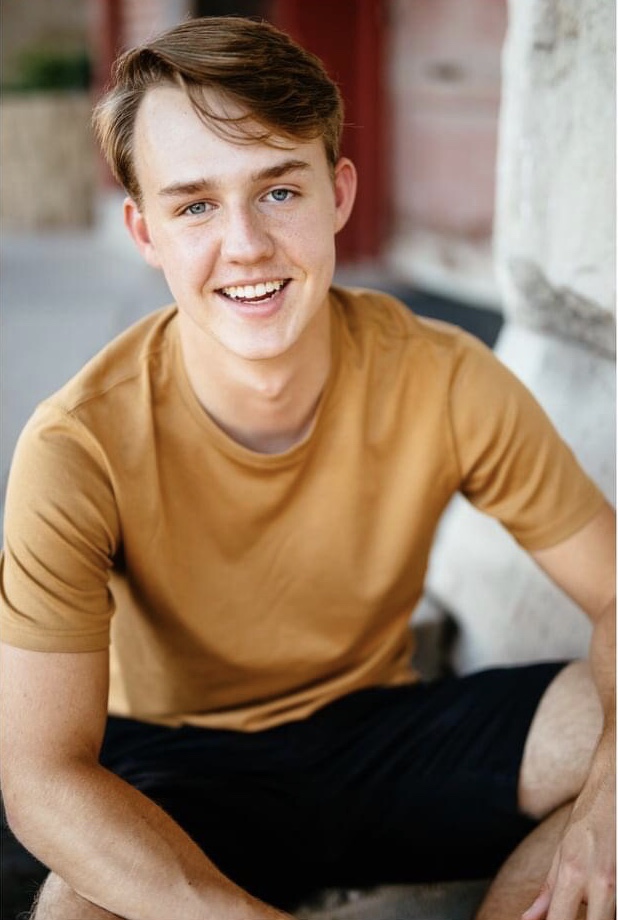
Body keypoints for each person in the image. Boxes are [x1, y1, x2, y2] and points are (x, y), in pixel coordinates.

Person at [0, 16, 614, 920]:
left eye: (279, 191)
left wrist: (608, 801)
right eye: (196, 205)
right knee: (73, 907)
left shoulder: (446, 377)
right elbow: (42, 774)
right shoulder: (75, 448)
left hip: (375, 732)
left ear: (339, 192)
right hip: (177, 766)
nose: (245, 244)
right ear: (145, 230)